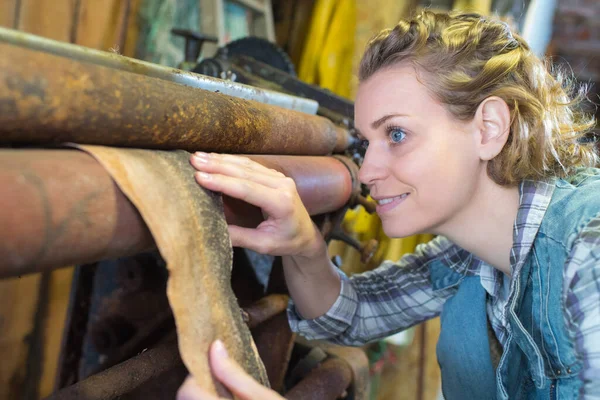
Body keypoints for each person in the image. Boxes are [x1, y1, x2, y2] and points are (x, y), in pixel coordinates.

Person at [180, 10, 600, 400]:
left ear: (488, 128)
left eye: (396, 134)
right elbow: (353, 315)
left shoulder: (588, 251)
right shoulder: (470, 255)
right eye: (367, 142)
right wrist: (303, 246)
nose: (366, 174)